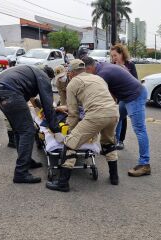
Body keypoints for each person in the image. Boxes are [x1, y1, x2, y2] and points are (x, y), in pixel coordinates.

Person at [46, 59, 120, 192]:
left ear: (71, 73)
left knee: (70, 143)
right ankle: (114, 177)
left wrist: (71, 132)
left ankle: (62, 183)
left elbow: (73, 112)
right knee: (108, 142)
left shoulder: (73, 83)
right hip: (113, 112)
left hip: (96, 114)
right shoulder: (98, 78)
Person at [0, 65, 62, 184]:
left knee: (19, 130)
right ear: (49, 77)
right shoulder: (43, 77)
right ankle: (21, 172)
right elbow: (48, 104)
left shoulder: (31, 72)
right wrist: (56, 130)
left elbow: (35, 100)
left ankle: (26, 161)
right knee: (28, 131)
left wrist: (42, 109)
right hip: (10, 93)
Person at [82, 56, 151, 177]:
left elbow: (101, 96)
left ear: (89, 68)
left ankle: (145, 164)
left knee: (140, 130)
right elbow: (110, 94)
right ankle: (111, 146)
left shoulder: (102, 74)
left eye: (85, 72)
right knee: (115, 119)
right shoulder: (101, 66)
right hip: (126, 96)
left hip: (135, 96)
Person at [110, 43, 139, 150]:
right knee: (115, 117)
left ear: (122, 54)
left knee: (122, 117)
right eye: (112, 56)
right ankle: (113, 139)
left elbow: (135, 80)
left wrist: (123, 70)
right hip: (115, 95)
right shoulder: (112, 65)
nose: (113, 58)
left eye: (115, 55)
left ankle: (120, 140)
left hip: (126, 95)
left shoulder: (130, 64)